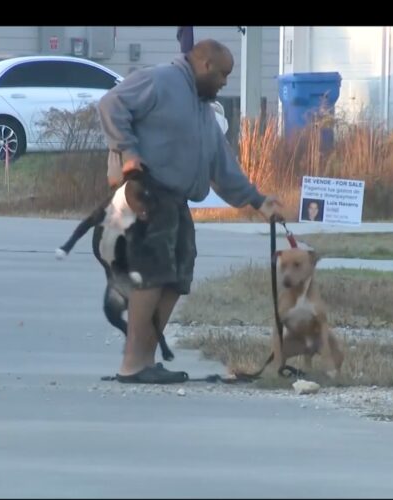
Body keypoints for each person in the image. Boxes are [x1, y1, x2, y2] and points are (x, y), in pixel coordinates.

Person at [97, 39, 286, 384]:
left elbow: (221, 164)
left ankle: (147, 360)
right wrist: (128, 151)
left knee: (176, 278)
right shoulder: (159, 80)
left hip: (178, 202)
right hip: (149, 194)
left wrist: (258, 200)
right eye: (224, 74)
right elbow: (111, 104)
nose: (226, 82)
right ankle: (132, 365)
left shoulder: (202, 107)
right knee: (152, 276)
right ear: (205, 65)